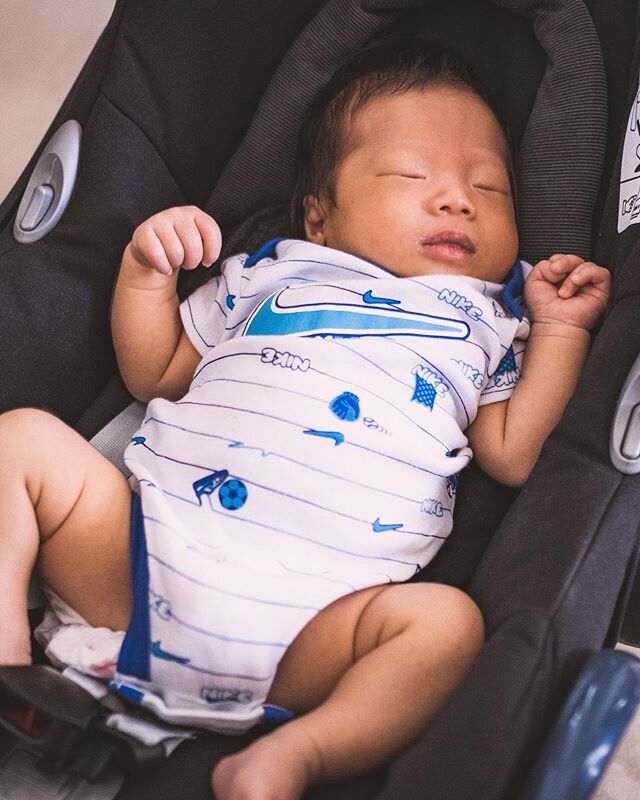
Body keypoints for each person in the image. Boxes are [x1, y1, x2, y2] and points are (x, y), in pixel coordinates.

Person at [0, 38, 610, 800]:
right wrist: (146, 275)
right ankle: (10, 660)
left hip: (314, 622)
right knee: (19, 441)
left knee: (445, 625)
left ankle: (298, 755)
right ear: (319, 218)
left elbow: (517, 454)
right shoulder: (267, 274)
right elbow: (156, 371)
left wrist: (559, 331)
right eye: (413, 176)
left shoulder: (488, 322)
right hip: (146, 550)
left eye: (490, 189)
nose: (457, 198)